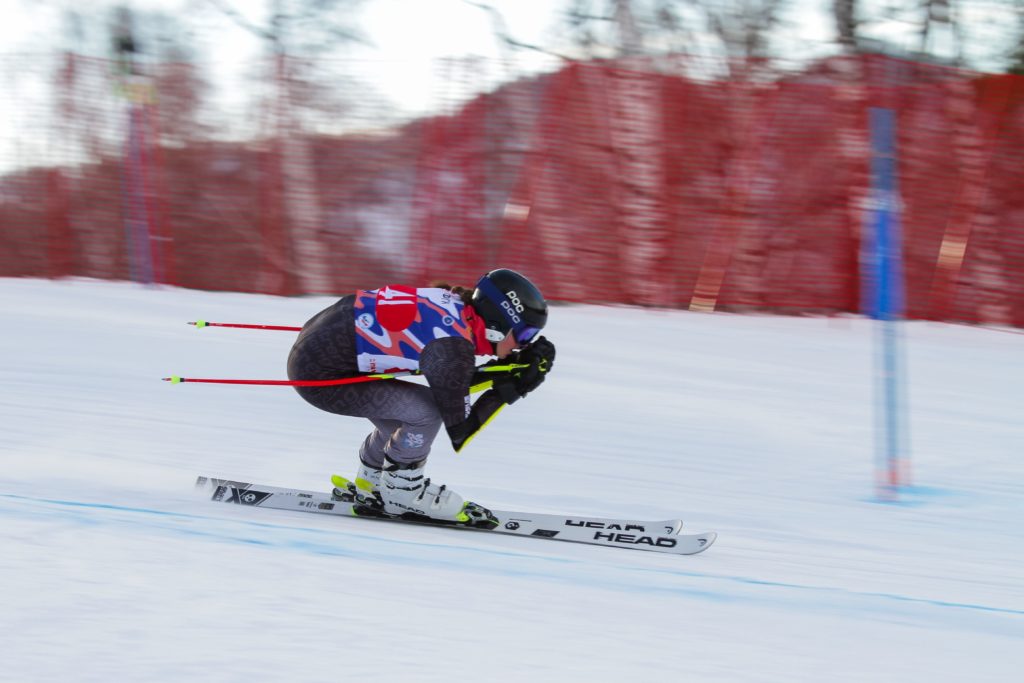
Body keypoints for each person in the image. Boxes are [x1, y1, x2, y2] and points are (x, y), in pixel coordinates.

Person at [287, 268, 556, 528]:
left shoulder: (457, 310)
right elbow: (460, 429)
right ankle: (402, 492)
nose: (522, 345)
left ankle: (371, 482)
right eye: (523, 335)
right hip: (322, 377)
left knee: (410, 413)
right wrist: (514, 388)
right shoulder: (452, 346)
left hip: (320, 352)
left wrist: (507, 373)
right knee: (427, 412)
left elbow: (452, 383)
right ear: (498, 324)